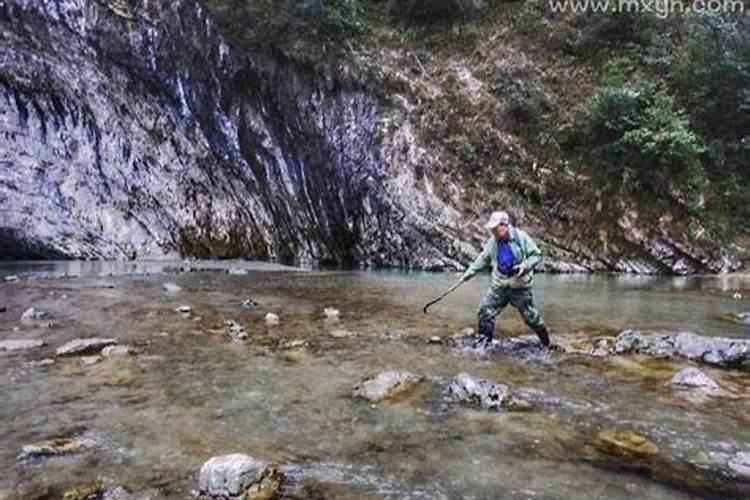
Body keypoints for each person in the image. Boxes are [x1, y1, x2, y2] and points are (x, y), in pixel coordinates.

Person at [460, 210, 552, 348]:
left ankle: (546, 343)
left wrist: (524, 266)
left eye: (495, 229)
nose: (493, 232)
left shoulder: (521, 238)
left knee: (531, 317)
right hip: (499, 284)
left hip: (520, 286)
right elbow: (483, 259)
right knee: (485, 311)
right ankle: (484, 346)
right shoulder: (492, 242)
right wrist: (468, 274)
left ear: (505, 225)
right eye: (491, 229)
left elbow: (537, 255)